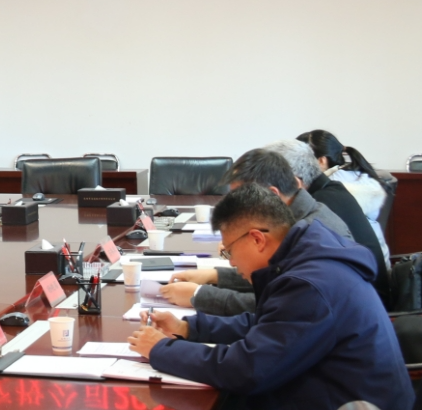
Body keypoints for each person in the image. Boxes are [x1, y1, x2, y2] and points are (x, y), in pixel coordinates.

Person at [127, 184, 412, 410]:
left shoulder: (310, 284)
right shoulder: (307, 257)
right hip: (329, 407)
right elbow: (268, 325)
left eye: (229, 252)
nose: (232, 262)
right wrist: (188, 328)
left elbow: (247, 369)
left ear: (257, 239)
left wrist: (161, 349)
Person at [159, 148, 352, 315]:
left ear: (272, 195)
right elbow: (272, 279)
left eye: (243, 199)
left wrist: (200, 295)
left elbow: (277, 305)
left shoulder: (312, 235)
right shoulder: (297, 219)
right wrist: (214, 276)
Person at [261, 139, 388, 301]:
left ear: (293, 181)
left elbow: (287, 280)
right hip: (363, 297)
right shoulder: (331, 191)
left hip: (365, 303)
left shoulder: (318, 208)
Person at [298, 129, 392, 262]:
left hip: (363, 267)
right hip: (379, 263)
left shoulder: (329, 190)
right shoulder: (355, 175)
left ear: (322, 161)